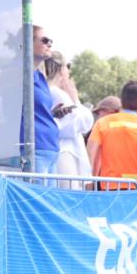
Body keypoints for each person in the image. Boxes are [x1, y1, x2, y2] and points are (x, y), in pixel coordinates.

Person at [87, 80, 137, 189]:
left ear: (121, 101)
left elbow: (90, 154)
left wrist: (90, 184)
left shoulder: (102, 123)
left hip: (110, 188)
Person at [44, 51, 93, 189]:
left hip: (59, 151)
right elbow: (81, 123)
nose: (69, 71)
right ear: (60, 69)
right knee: (69, 197)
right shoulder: (57, 93)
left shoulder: (46, 91)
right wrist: (76, 99)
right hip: (65, 152)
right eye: (68, 66)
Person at [22, 26, 60, 175]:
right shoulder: (16, 72)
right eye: (44, 40)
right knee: (36, 198)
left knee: (48, 197)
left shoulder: (39, 76)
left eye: (50, 41)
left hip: (50, 149)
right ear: (28, 43)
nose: (49, 44)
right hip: (34, 149)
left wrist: (53, 113)